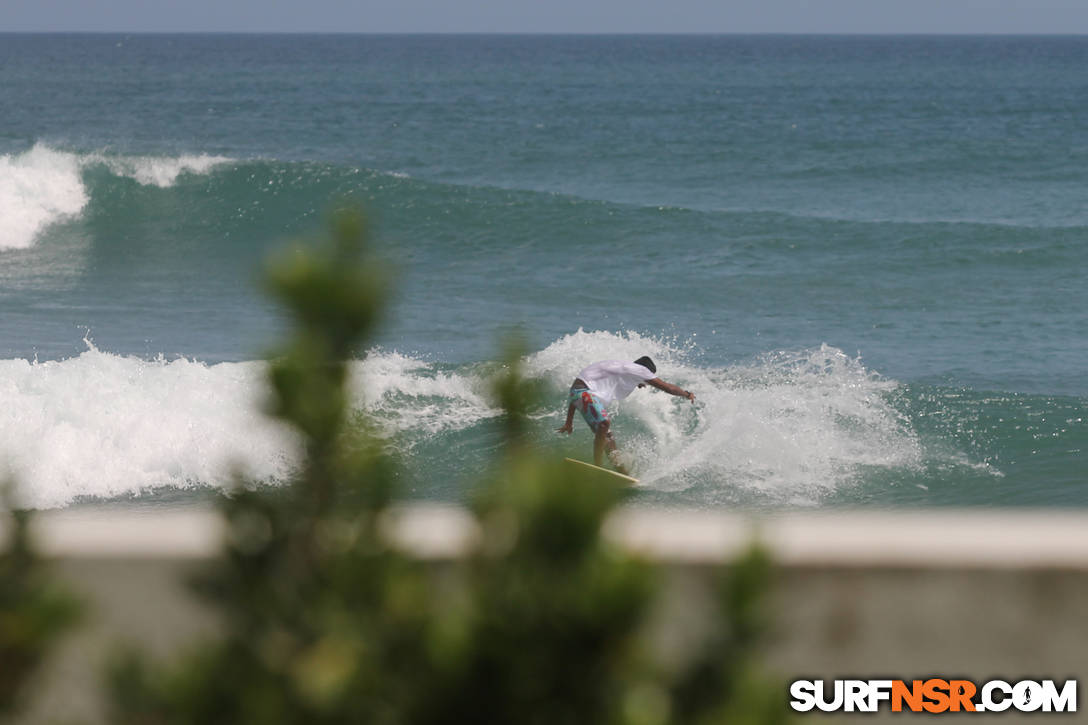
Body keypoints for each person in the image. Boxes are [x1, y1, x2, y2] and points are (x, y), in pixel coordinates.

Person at [557, 355, 695, 475]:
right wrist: (687, 394)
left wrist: (569, 422)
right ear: (645, 371)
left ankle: (623, 474)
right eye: (646, 380)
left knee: (609, 438)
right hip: (582, 392)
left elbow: (575, 397)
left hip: (580, 393)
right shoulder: (640, 369)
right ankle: (597, 466)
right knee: (604, 423)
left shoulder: (621, 368)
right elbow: (669, 388)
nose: (644, 384)